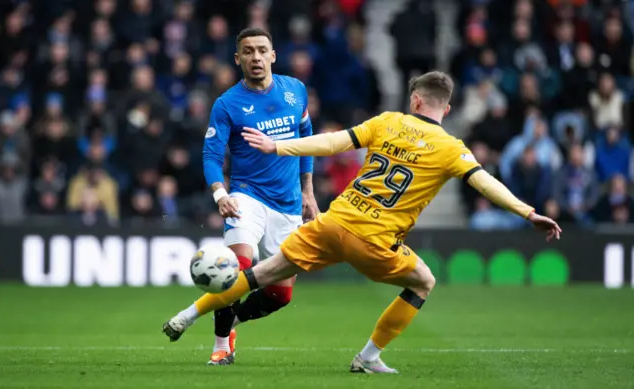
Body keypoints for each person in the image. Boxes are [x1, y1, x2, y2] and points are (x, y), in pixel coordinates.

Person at [163, 71, 561, 373]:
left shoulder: (388, 121)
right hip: (375, 241)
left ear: (415, 100)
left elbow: (332, 141)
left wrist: (279, 146)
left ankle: (186, 315)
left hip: (332, 224)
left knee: (259, 274)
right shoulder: (452, 149)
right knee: (423, 281)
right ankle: (369, 357)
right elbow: (486, 184)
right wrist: (528, 212)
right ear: (447, 108)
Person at [162, 28, 319, 365]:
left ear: (274, 55)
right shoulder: (227, 104)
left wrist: (308, 190)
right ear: (238, 59)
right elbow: (210, 156)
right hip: (246, 196)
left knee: (280, 294)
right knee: (237, 267)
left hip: (289, 203)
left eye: (262, 50)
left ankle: (230, 323)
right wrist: (220, 194)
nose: (256, 57)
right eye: (248, 51)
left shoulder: (296, 91)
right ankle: (220, 347)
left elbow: (306, 138)